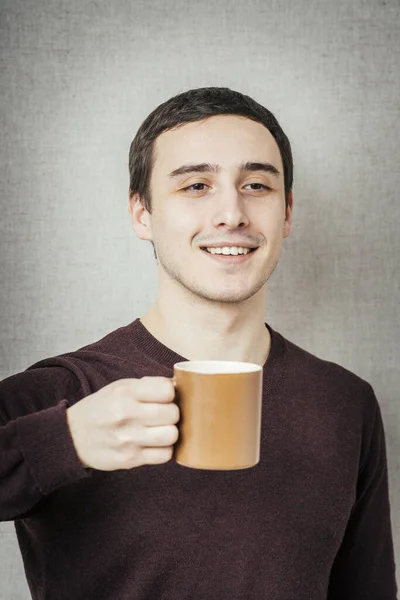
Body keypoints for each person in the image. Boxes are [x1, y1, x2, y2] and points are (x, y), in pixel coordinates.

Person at [0, 87, 397, 600]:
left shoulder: (347, 403)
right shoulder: (63, 392)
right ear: (142, 214)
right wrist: (64, 441)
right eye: (195, 186)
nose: (231, 213)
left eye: (256, 185)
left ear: (288, 213)